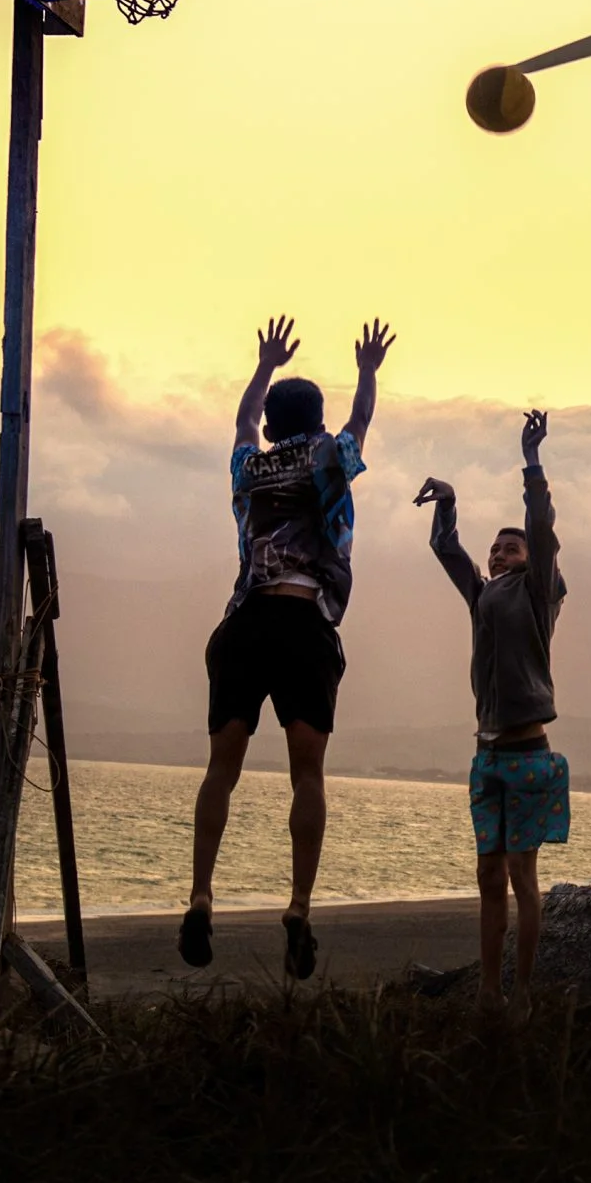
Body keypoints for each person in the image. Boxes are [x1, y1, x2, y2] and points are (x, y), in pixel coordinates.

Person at [181, 313, 393, 978]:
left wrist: (264, 364)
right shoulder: (329, 457)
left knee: (222, 768)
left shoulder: (250, 466)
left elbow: (241, 423)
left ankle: (201, 893)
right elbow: (359, 423)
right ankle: (299, 905)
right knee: (308, 774)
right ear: (316, 421)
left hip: (246, 625)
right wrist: (367, 371)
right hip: (305, 624)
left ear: (274, 425)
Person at [414, 409, 566, 1013]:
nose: (501, 551)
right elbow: (446, 551)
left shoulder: (536, 595)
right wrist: (447, 503)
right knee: (487, 881)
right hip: (487, 757)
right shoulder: (482, 596)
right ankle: (487, 990)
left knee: (522, 880)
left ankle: (524, 993)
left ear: (530, 560)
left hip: (529, 756)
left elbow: (544, 529)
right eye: (496, 547)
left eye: (512, 545)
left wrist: (531, 464)